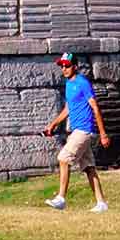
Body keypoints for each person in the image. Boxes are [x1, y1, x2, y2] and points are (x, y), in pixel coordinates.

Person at [43, 51, 109, 211]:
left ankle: (61, 198)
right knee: (88, 167)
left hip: (84, 130)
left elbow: (95, 107)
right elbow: (68, 108)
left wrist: (103, 134)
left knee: (63, 159)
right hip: (76, 130)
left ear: (75, 66)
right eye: (62, 66)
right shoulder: (69, 84)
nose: (64, 69)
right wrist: (53, 124)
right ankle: (101, 203)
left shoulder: (83, 83)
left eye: (67, 66)